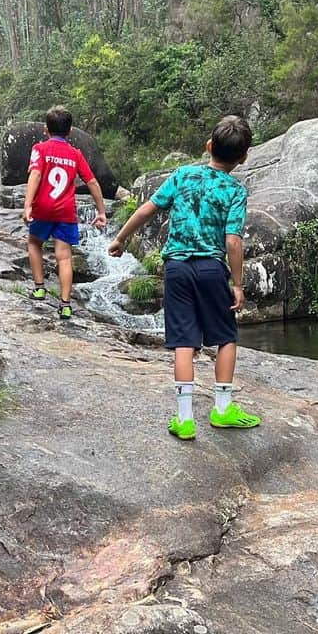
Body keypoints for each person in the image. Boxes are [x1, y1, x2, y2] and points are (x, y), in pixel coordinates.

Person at [108, 115, 261, 439]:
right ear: (243, 157)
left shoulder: (182, 175)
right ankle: (222, 409)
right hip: (210, 268)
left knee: (183, 341)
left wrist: (120, 238)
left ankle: (185, 418)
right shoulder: (234, 190)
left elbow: (147, 209)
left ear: (208, 146)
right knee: (226, 336)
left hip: (176, 268)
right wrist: (237, 284)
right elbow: (233, 240)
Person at [24, 106, 107, 320]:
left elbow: (35, 175)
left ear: (46, 129)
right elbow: (92, 182)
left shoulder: (40, 149)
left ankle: (40, 287)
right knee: (64, 257)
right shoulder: (75, 154)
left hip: (42, 207)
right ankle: (65, 304)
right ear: (69, 132)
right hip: (65, 211)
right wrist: (101, 211)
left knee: (34, 243)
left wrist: (27, 206)